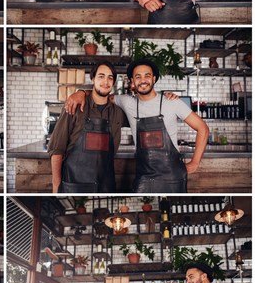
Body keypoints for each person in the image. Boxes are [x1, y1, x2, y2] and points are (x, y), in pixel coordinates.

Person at [65, 58, 209, 193]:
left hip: (173, 177)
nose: (143, 80)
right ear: (132, 81)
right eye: (138, 77)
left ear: (153, 79)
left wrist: (195, 162)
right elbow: (101, 94)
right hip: (144, 177)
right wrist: (82, 93)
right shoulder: (126, 102)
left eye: (147, 76)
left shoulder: (171, 102)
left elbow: (202, 128)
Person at [48, 63, 122, 194]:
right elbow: (57, 149)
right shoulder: (74, 106)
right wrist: (56, 187)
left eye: (110, 78)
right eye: (101, 76)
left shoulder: (117, 112)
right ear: (92, 79)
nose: (106, 81)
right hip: (75, 185)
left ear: (114, 82)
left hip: (106, 185)